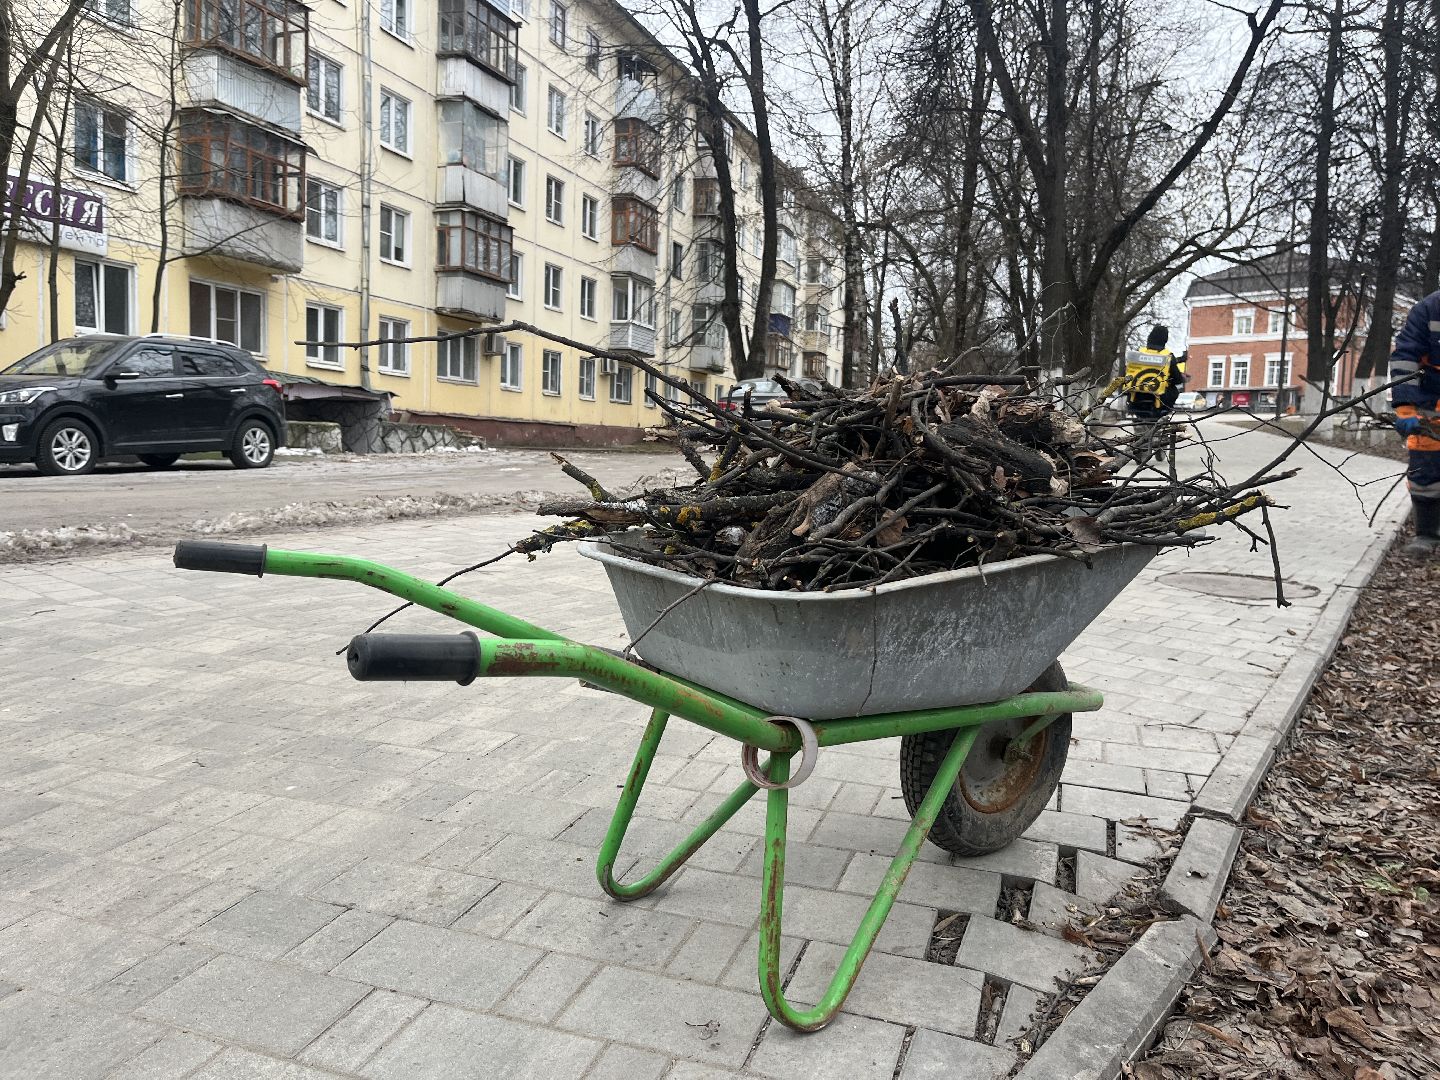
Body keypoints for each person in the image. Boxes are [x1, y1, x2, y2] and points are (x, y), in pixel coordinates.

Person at [1389, 290, 1440, 556]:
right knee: (1425, 473)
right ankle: (1427, 534)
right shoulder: (1428, 309)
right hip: (1430, 408)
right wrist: (1406, 408)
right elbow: (1406, 358)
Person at [1124, 325, 1187, 461]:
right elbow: (1177, 379)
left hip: (1137, 402)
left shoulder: (1138, 353)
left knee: (1139, 421)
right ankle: (1159, 440)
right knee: (1172, 391)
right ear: (1165, 340)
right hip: (1159, 404)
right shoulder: (1168, 356)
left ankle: (1140, 445)